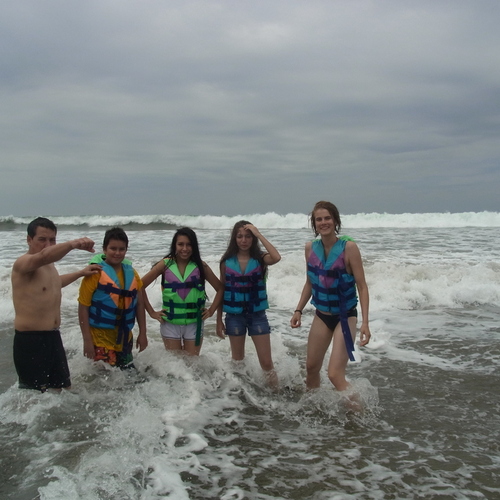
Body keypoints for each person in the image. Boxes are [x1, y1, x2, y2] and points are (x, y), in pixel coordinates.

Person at [290, 201, 371, 395]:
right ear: (314, 224)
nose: (323, 222)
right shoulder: (310, 248)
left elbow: (362, 286)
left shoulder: (349, 248)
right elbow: (310, 282)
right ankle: (314, 410)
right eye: (319, 219)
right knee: (311, 368)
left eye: (327, 218)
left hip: (345, 316)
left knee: (335, 375)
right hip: (322, 315)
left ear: (335, 221)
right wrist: (298, 310)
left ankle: (359, 415)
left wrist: (365, 323)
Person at [11, 217, 99, 392]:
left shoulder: (49, 266)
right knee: (33, 397)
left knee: (62, 391)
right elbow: (44, 255)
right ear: (29, 240)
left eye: (52, 240)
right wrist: (73, 244)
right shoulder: (23, 263)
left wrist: (81, 273)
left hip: (52, 337)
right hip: (30, 340)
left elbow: (53, 283)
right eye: (42, 239)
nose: (48, 245)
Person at [217, 221, 281, 387]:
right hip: (234, 316)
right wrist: (218, 321)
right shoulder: (226, 262)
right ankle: (241, 397)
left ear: (253, 239)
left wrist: (259, 234)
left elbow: (276, 257)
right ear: (234, 239)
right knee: (237, 362)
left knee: (266, 363)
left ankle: (276, 394)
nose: (243, 240)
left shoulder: (260, 259)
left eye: (248, 236)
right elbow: (221, 291)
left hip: (257, 315)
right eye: (239, 236)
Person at [142, 227, 223, 356]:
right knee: (175, 367)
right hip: (170, 323)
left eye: (189, 244)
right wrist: (151, 312)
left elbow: (220, 288)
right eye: (180, 244)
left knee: (192, 366)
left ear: (194, 246)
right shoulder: (165, 264)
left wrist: (211, 310)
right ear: (175, 245)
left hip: (194, 323)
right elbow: (140, 285)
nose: (185, 248)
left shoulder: (202, 266)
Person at [78, 227, 148, 369]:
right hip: (100, 338)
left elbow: (140, 305)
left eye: (121, 249)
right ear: (104, 249)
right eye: (113, 248)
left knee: (128, 378)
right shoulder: (94, 273)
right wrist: (87, 341)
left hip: (125, 337)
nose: (117, 253)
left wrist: (143, 333)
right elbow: (83, 307)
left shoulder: (132, 273)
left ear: (126, 250)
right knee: (105, 382)